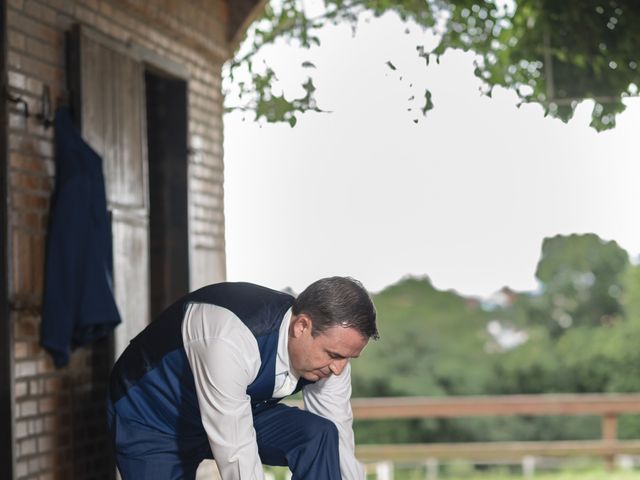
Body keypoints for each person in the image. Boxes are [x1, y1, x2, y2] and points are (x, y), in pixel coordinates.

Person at [107, 276, 378, 480]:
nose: (339, 369)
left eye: (348, 358)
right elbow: (237, 454)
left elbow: (339, 437)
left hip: (237, 409)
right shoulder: (229, 336)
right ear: (302, 326)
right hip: (154, 418)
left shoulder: (334, 353)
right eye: (334, 355)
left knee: (318, 435)